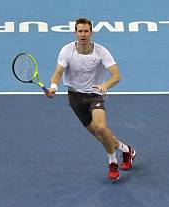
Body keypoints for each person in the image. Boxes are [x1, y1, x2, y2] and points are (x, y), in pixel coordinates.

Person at [46, 17, 135, 181]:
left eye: (86, 31)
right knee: (102, 137)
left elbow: (116, 75)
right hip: (75, 98)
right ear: (75, 33)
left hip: (95, 95)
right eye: (80, 31)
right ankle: (127, 150)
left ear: (91, 32)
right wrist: (53, 88)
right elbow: (58, 73)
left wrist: (105, 85)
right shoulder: (67, 50)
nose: (83, 34)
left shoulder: (101, 51)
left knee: (102, 128)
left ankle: (112, 163)